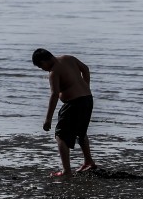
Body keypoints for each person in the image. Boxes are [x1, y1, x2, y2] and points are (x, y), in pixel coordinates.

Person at [32, 48, 97, 177]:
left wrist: (48, 119)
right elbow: (85, 69)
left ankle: (66, 171)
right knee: (81, 131)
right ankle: (89, 161)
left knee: (60, 135)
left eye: (40, 66)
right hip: (87, 99)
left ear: (44, 60)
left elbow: (54, 94)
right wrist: (86, 87)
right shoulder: (68, 58)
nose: (42, 69)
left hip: (74, 103)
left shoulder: (54, 72)